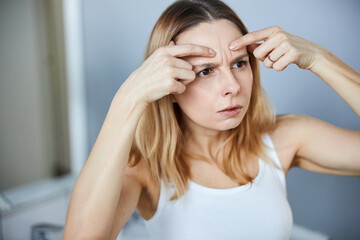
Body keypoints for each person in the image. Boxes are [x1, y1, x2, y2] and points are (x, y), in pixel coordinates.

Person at [63, 0, 360, 239]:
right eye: (206, 70)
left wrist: (320, 59)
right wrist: (128, 99)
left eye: (239, 63)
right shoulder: (145, 169)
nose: (232, 85)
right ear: (169, 86)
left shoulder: (283, 138)